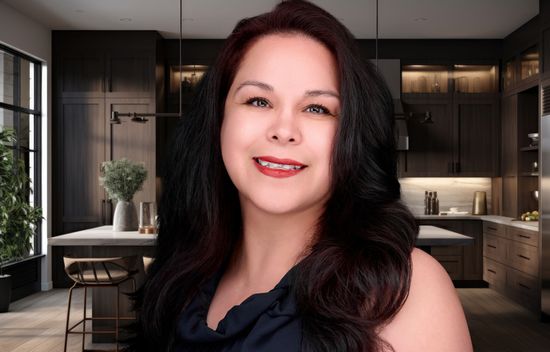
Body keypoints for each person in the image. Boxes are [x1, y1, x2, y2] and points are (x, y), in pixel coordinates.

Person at [129, 1, 473, 351]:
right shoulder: (181, 274)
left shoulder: (405, 290)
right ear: (219, 119)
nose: (284, 130)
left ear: (352, 136)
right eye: (259, 101)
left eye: (317, 108)